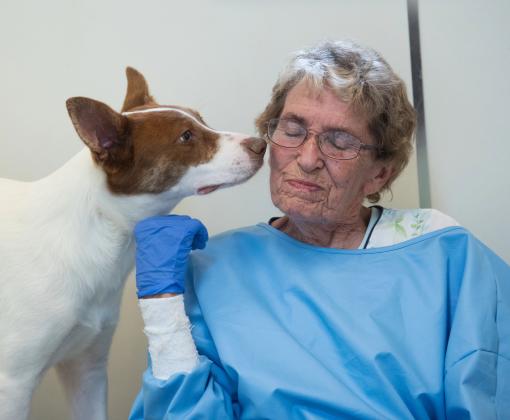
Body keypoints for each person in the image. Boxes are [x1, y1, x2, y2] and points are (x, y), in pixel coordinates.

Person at [129, 40, 510, 419]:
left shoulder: (445, 253)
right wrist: (162, 310)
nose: (308, 159)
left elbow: (490, 397)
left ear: (380, 172)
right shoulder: (209, 269)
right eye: (293, 131)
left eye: (339, 141)